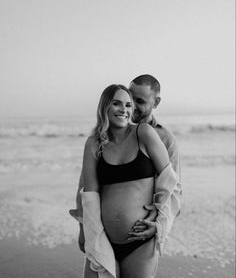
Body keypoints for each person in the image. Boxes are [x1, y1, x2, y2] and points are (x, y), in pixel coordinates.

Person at [71, 83, 178, 278]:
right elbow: (89, 194)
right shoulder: (94, 143)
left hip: (140, 244)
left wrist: (158, 220)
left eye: (128, 105)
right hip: (102, 239)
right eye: (117, 104)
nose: (124, 110)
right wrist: (85, 230)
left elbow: (169, 181)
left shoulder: (143, 133)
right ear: (105, 107)